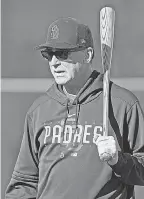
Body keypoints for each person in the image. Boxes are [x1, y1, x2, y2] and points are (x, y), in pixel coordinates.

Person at [5, 17, 144, 199]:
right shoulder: (39, 110)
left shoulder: (122, 104)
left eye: (62, 53)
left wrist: (119, 160)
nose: (54, 62)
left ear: (87, 55)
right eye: (48, 54)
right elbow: (24, 183)